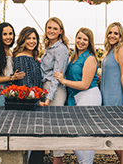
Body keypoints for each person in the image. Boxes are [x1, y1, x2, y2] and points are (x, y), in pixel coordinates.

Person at [54, 27, 101, 164]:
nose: (81, 41)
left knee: (85, 134)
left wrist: (64, 81)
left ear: (89, 42)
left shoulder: (90, 58)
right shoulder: (74, 57)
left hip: (88, 95)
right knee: (74, 133)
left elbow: (85, 84)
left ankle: (86, 162)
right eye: (79, 38)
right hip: (76, 97)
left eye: (85, 39)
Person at [39, 17, 70, 164]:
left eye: (55, 28)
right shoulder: (49, 47)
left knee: (56, 126)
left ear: (60, 32)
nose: (51, 31)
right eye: (49, 28)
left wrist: (48, 98)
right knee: (49, 126)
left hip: (55, 91)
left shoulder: (61, 49)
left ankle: (58, 161)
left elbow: (57, 75)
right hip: (47, 90)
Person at [100, 22, 123, 164]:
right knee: (110, 132)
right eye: (110, 33)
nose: (112, 36)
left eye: (116, 33)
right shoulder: (109, 51)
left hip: (117, 96)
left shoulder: (122, 50)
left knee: (120, 132)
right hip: (107, 95)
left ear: (120, 36)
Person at [0, 22, 25, 106]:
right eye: (5, 34)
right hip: (0, 92)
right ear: (0, 36)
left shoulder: (10, 52)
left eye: (10, 34)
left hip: (9, 91)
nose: (8, 37)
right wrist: (11, 78)